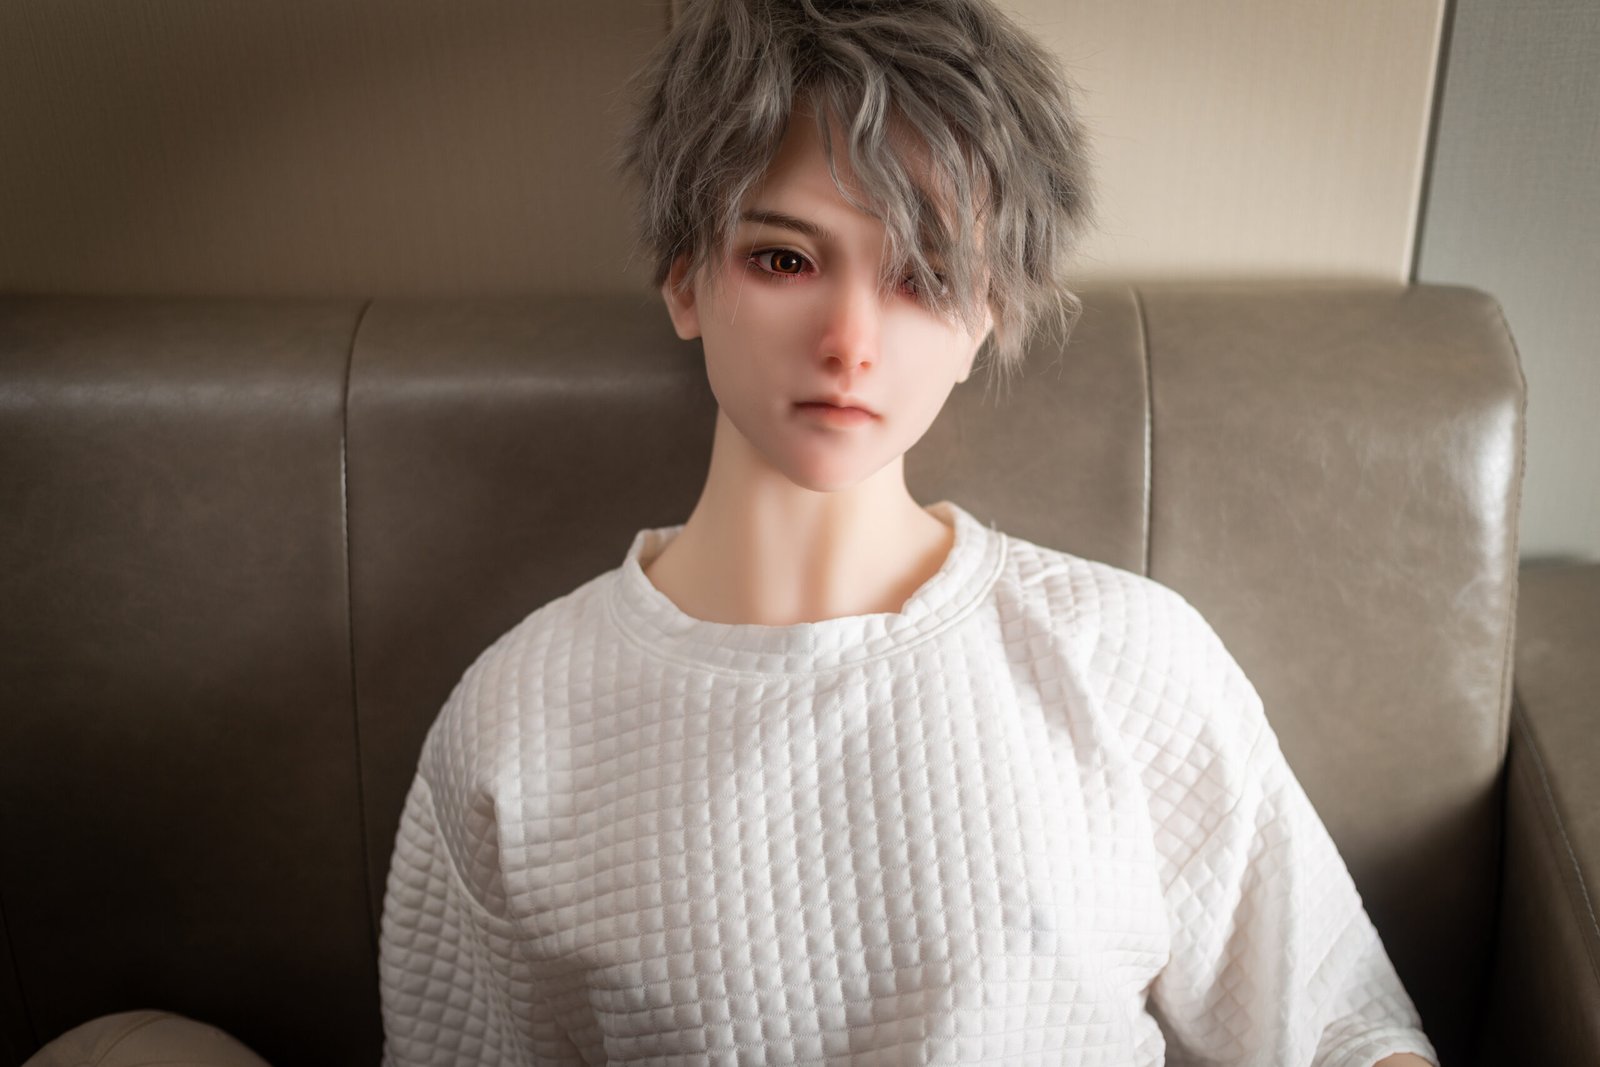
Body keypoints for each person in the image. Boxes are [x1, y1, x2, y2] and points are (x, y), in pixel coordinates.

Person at [377, 1, 1440, 1064]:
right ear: (683, 276)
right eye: (784, 260)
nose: (850, 341)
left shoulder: (1125, 658)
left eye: (924, 278)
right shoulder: (513, 722)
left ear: (987, 319)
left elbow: (1342, 1029)